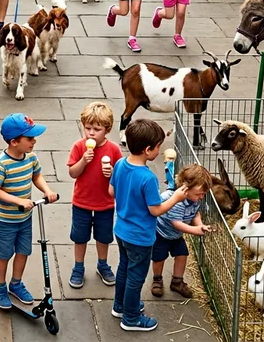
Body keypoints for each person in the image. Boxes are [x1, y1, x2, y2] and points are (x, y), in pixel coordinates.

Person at [109, 119, 189, 332]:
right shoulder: (148, 178)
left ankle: (120, 306)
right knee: (136, 277)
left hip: (121, 231)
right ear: (147, 150)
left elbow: (111, 193)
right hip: (140, 237)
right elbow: (156, 210)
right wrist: (176, 198)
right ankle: (131, 318)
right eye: (157, 147)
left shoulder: (119, 164)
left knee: (124, 268)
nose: (159, 151)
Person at [0, 113, 58, 311]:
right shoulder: (1, 164)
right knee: (4, 254)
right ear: (14, 142)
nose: (34, 141)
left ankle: (16, 283)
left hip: (25, 217)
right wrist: (18, 200)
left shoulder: (31, 158)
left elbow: (37, 176)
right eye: (30, 138)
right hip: (4, 220)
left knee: (23, 251)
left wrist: (47, 191)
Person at [67, 102, 123, 290]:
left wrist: (112, 172)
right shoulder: (78, 147)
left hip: (105, 203)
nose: (91, 133)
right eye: (87, 128)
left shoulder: (114, 149)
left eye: (96, 129)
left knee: (103, 237)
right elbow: (73, 173)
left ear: (107, 130)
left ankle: (102, 264)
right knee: (80, 237)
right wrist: (83, 160)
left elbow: (121, 175)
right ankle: (78, 267)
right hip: (82, 201)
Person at [150, 164, 214, 300]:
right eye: (199, 194)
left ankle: (177, 282)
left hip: (176, 235)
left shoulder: (194, 199)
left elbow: (195, 214)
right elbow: (177, 224)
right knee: (159, 258)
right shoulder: (177, 202)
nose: (201, 197)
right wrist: (194, 230)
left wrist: (200, 225)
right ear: (185, 188)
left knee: (182, 254)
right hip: (162, 233)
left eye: (203, 194)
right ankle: (157, 280)